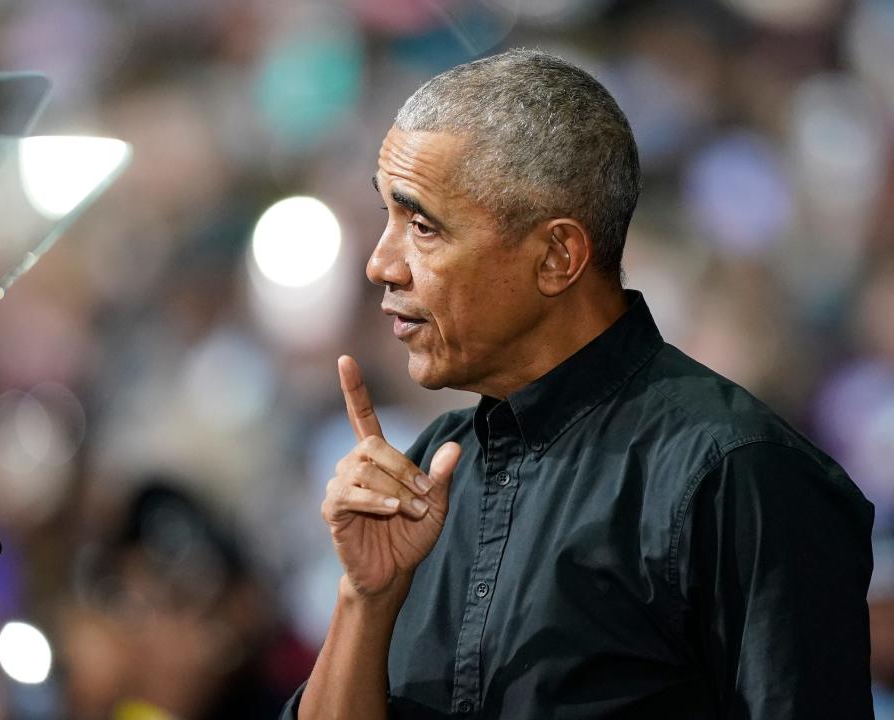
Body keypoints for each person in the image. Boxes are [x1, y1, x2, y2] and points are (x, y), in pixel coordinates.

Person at [281, 49, 874, 719]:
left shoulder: (736, 474)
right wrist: (366, 599)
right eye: (386, 217)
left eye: (422, 226)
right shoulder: (426, 473)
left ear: (558, 256)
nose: (379, 264)